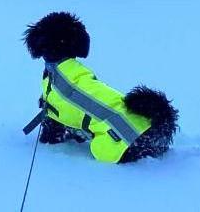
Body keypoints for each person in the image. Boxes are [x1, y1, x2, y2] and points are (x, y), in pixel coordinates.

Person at [22, 12, 179, 163]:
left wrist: (51, 130)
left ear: (40, 43)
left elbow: (58, 116)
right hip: (154, 129)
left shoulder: (59, 80)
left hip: (128, 141)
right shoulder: (77, 75)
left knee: (102, 151)